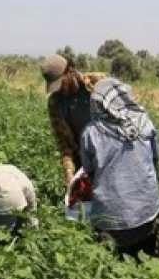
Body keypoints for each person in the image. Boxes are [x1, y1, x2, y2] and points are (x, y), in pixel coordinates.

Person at [79, 78, 159, 259]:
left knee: (112, 268)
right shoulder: (144, 123)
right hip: (146, 212)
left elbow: (89, 171)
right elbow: (155, 159)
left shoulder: (91, 133)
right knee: (147, 263)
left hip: (110, 218)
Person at [41, 54, 111, 189]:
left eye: (61, 83)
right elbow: (64, 144)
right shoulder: (56, 103)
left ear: (69, 71)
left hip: (111, 156)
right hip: (84, 163)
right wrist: (69, 172)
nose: (60, 89)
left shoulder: (97, 84)